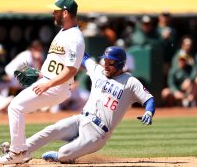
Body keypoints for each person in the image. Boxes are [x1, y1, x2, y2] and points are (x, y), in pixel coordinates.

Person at [0, 0, 85, 165]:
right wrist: (41, 75)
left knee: (16, 106)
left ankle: (18, 152)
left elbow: (71, 69)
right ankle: (20, 150)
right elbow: (57, 63)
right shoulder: (63, 32)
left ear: (65, 12)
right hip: (50, 82)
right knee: (17, 106)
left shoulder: (75, 38)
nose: (52, 13)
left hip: (56, 86)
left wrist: (48, 83)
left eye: (55, 10)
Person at [22, 46, 155, 164]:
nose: (106, 65)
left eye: (111, 62)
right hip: (81, 119)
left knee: (63, 154)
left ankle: (66, 155)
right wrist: (71, 43)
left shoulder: (130, 82)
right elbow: (83, 57)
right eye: (105, 61)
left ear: (120, 64)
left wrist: (149, 112)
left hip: (98, 133)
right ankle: (19, 150)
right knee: (50, 131)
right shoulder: (98, 70)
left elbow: (149, 99)